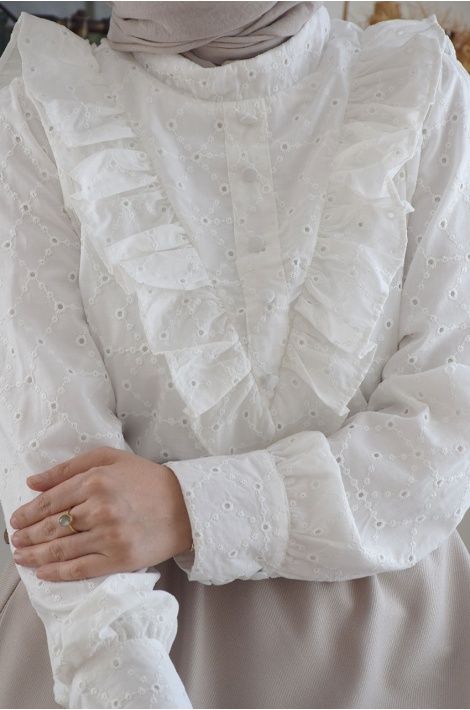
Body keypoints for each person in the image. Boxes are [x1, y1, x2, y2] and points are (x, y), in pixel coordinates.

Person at [0, 1, 469, 708]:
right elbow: (48, 476)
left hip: (402, 647)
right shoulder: (41, 104)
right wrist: (128, 680)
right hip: (114, 638)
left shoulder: (420, 87)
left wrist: (190, 508)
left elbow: (445, 436)